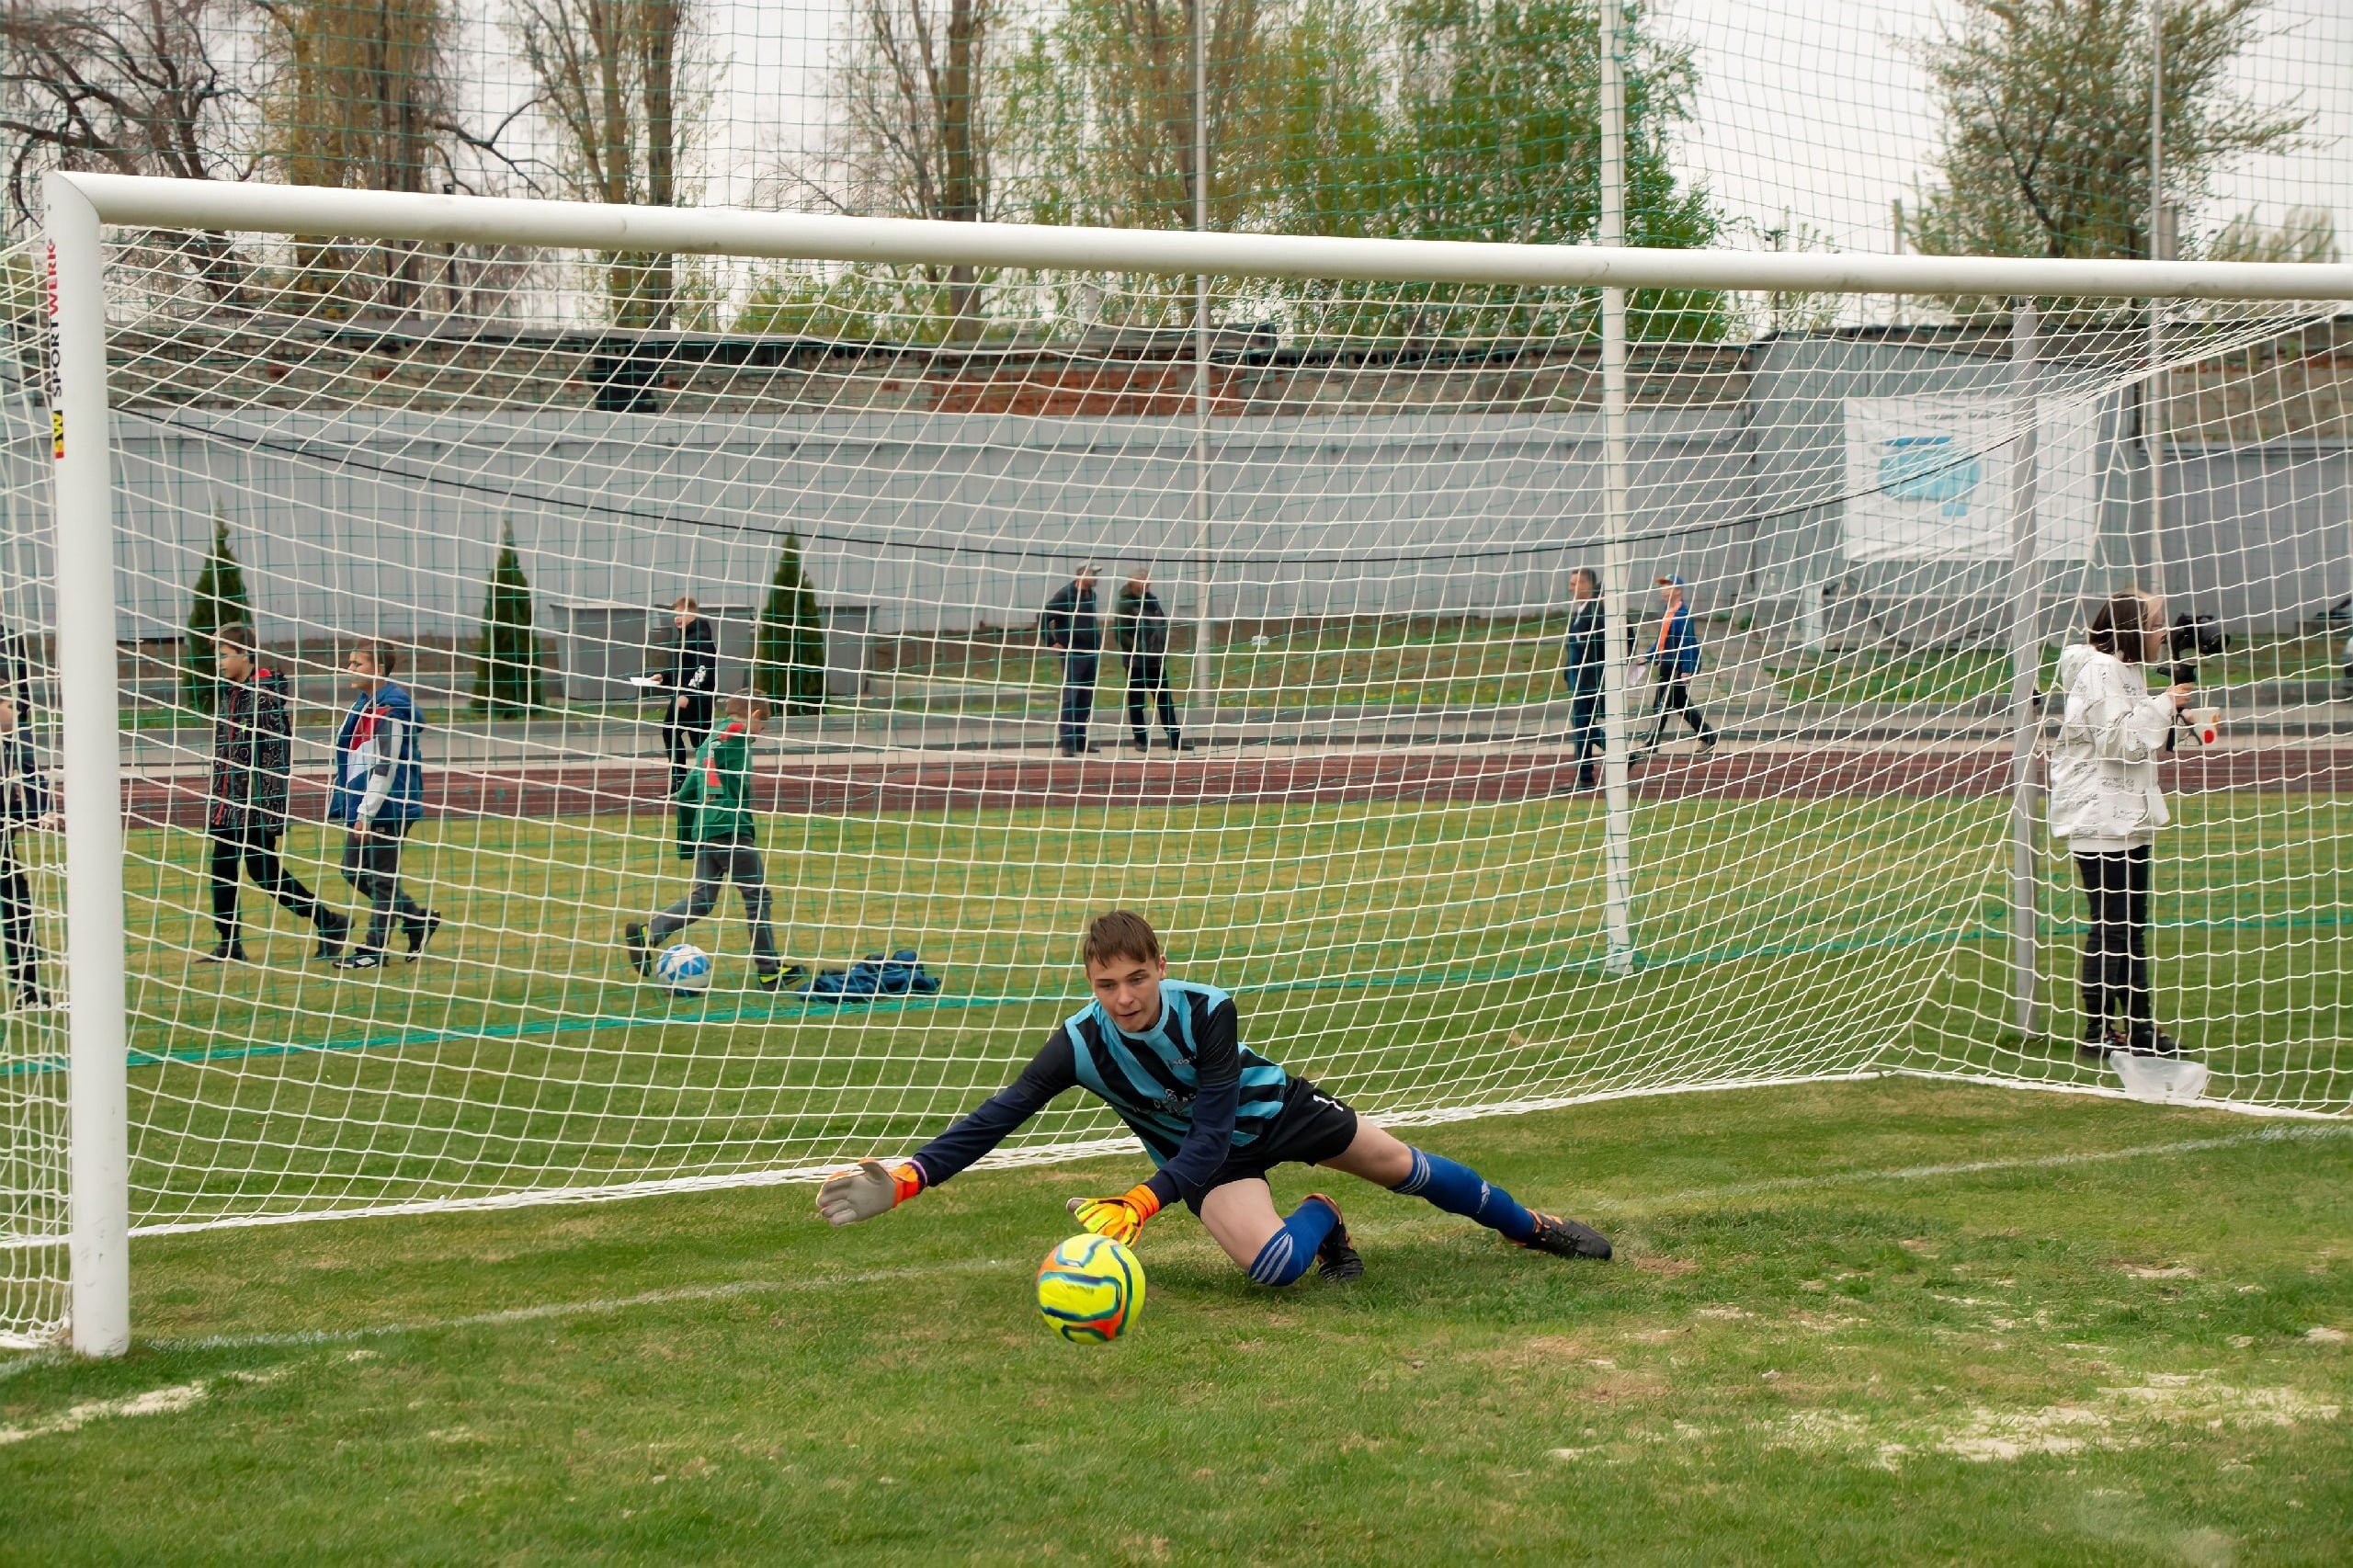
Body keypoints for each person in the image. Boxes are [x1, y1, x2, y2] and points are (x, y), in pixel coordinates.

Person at [816, 909, 1611, 1286]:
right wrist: (911, 1176)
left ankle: (1530, 1227)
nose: (1124, 997)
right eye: (1106, 984)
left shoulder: (1209, 1011)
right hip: (1206, 1164)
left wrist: (1139, 1201)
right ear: (1088, 984)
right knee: (1272, 1270)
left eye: (1136, 978)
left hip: (1272, 1115)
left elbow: (1209, 1130)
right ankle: (1324, 1218)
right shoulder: (1079, 1043)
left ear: (1160, 966)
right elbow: (996, 1117)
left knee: (1408, 1168)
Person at [2050, 589, 2195, 1059]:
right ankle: (2099, 1032)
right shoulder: (2099, 670)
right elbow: (2118, 742)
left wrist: (2170, 711)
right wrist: (2164, 705)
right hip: (2099, 815)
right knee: (2113, 927)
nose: (2164, 632)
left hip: (2126, 812)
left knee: (2128, 927)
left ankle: (2137, 1028)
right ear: (2133, 629)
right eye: (2156, 624)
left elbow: (2132, 731)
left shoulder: (2124, 670)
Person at [203, 624, 347, 964]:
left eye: (223, 655)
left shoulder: (264, 696)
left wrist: (268, 812)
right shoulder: (232, 692)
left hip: (254, 805)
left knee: (264, 872)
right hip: (228, 802)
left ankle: (329, 921)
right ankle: (229, 943)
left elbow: (275, 758)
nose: (218, 662)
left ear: (244, 653)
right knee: (221, 867)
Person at [626, 689, 785, 991]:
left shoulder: (708, 740)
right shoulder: (736, 736)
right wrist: (743, 728)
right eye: (764, 725)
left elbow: (685, 794)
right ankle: (769, 971)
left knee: (702, 901)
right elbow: (739, 730)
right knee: (758, 898)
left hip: (705, 832)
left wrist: (689, 840)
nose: (762, 732)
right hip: (731, 830)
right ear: (753, 717)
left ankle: (650, 931)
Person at [329, 641, 439, 971]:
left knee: (381, 880)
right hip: (366, 803)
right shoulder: (364, 704)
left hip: (387, 806)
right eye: (349, 663)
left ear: (378, 669)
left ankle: (373, 950)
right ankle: (416, 919)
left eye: (356, 664)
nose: (349, 670)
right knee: (352, 870)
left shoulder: (391, 709)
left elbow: (385, 765)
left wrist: (366, 810)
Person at [0, 696, 57, 1009]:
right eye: (8, 704)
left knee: (18, 909)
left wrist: (39, 812)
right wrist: (31, 815)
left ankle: (28, 991)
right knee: (16, 909)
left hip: (4, 846)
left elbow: (33, 777)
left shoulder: (11, 744)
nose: (17, 709)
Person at [651, 596, 718, 858]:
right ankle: (681, 781)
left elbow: (703, 668)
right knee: (671, 732)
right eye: (675, 615)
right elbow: (682, 668)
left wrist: (689, 692)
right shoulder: (683, 637)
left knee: (700, 741)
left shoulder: (701, 636)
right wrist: (664, 676)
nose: (677, 619)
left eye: (681, 614)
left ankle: (708, 784)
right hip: (681, 696)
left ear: (692, 614)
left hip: (695, 699)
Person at [1633, 573, 1716, 762]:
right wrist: (1647, 656)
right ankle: (1708, 736)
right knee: (1680, 704)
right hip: (1666, 665)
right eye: (1663, 586)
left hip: (1677, 667)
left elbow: (1688, 642)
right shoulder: (1667, 611)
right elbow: (1662, 640)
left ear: (1678, 591)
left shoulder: (1683, 614)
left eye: (1668, 586)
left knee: (1661, 705)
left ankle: (1652, 744)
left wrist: (1687, 668)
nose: (1664, 590)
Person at [1113, 571, 1182, 753]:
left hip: (1157, 661)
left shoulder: (1152, 600)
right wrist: (1138, 649)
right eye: (1144, 580)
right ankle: (1140, 740)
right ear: (1133, 582)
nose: (1148, 583)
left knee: (1165, 700)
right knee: (1137, 701)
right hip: (1136, 663)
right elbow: (1120, 634)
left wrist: (1162, 645)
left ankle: (1174, 739)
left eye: (1149, 579)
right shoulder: (1125, 604)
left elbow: (1161, 624)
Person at [1040, 566, 1101, 757]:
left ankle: (1080, 740)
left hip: (1091, 651)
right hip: (1073, 653)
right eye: (1092, 574)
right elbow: (1044, 616)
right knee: (1071, 697)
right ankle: (1066, 741)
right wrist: (1051, 641)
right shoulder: (1066, 594)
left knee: (1085, 698)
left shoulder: (1091, 594)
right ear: (1081, 575)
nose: (1095, 578)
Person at [1561, 567, 1605, 791]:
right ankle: (1585, 776)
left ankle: (1586, 775)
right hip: (1578, 679)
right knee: (1582, 725)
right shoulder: (1580, 611)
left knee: (1582, 725)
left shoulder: (1598, 612)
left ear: (1587, 585)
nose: (1570, 587)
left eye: (1574, 583)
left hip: (1590, 680)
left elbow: (1603, 646)